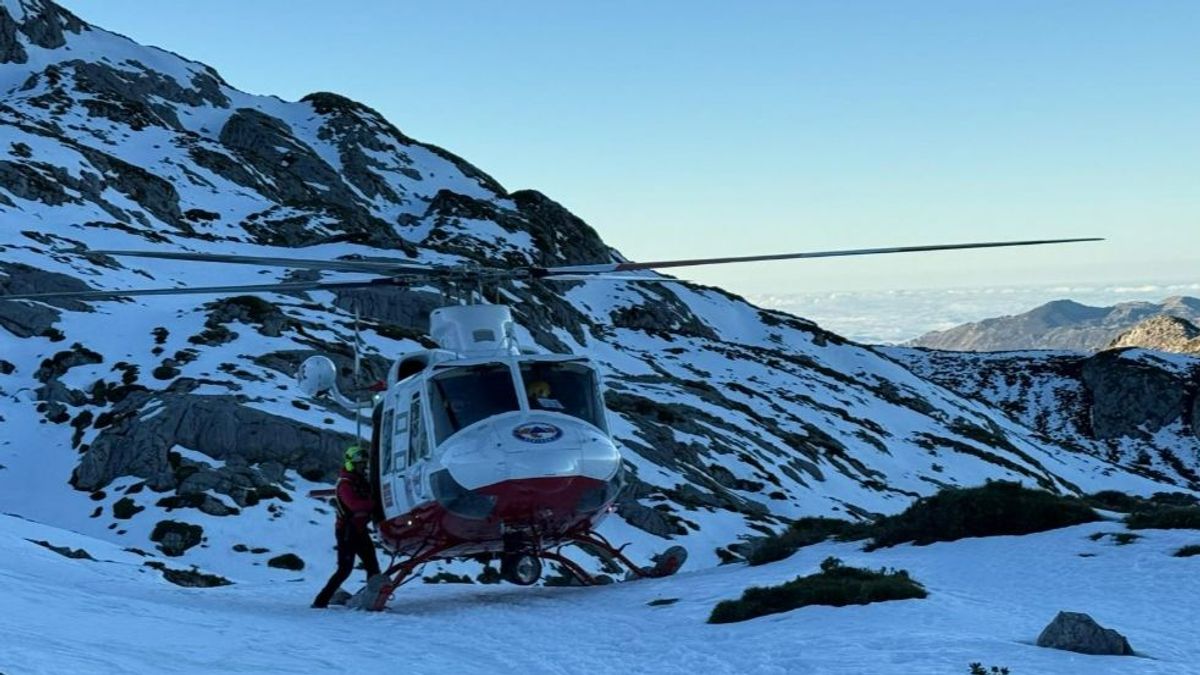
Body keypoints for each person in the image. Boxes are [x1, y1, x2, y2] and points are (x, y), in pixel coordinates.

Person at [311, 445, 382, 608]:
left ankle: (373, 599)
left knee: (372, 566)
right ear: (351, 464)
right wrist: (373, 504)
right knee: (345, 569)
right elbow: (355, 505)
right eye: (360, 464)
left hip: (359, 530)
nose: (363, 467)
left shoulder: (360, 482)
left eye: (364, 464)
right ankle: (320, 601)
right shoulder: (345, 484)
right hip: (347, 532)